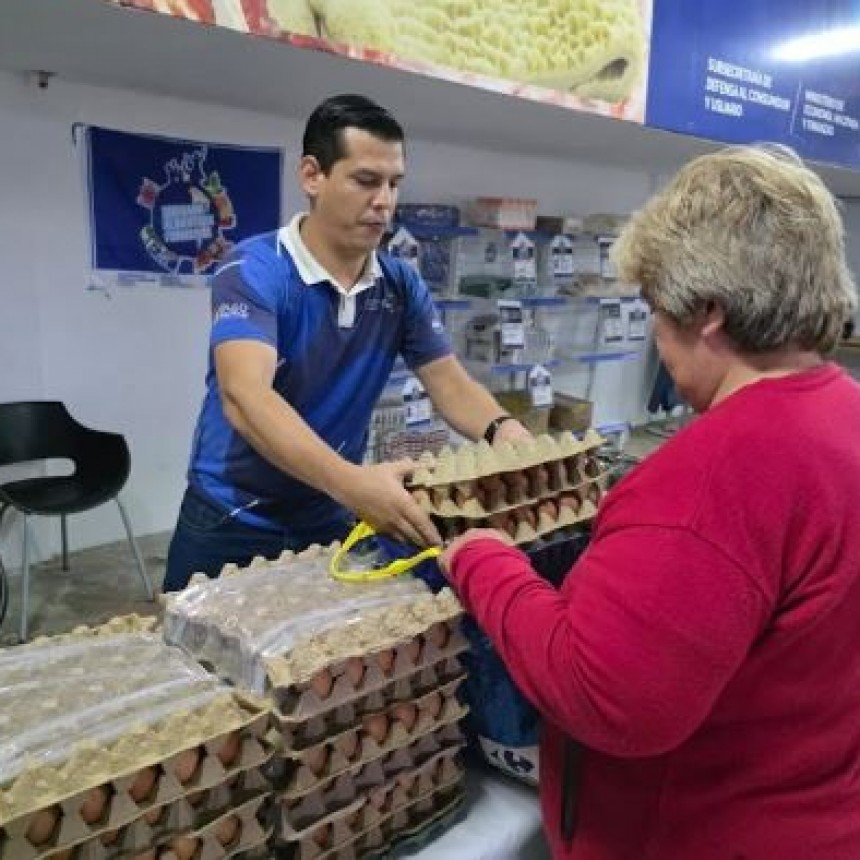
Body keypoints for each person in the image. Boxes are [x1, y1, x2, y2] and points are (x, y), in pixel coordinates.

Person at [439, 144, 860, 859]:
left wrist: (484, 561)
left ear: (709, 312)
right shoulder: (842, 413)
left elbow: (604, 695)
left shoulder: (715, 475)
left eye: (656, 309)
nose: (656, 338)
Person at [163, 94, 528, 592]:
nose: (384, 201)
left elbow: (449, 383)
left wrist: (502, 430)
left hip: (327, 510)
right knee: (198, 641)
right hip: (232, 517)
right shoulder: (254, 269)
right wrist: (354, 484)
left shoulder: (400, 285)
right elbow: (245, 396)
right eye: (366, 180)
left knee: (326, 640)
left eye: (394, 183)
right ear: (312, 176)